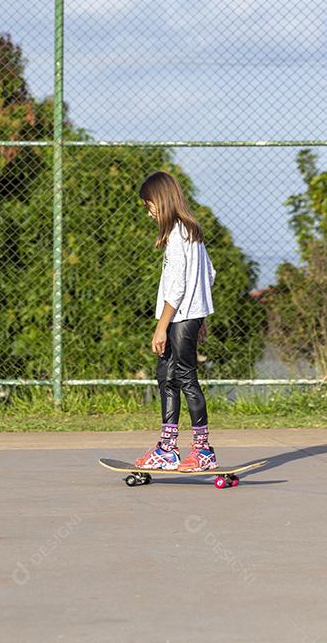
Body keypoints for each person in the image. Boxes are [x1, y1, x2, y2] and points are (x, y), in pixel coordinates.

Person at [133, 171, 217, 471]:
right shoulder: (189, 232)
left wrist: (161, 326)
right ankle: (167, 449)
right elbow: (209, 274)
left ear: (163, 200)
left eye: (150, 204)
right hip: (186, 316)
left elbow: (178, 286)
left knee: (184, 378)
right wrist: (201, 314)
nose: (149, 211)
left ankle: (203, 450)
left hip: (179, 318)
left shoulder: (180, 235)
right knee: (166, 377)